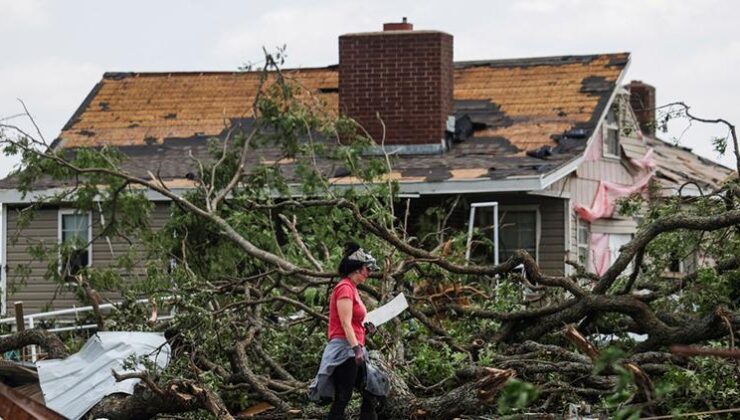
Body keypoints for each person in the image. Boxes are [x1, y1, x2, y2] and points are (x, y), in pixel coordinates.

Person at [308, 243, 389, 420]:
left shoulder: (353, 289)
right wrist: (356, 349)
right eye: (367, 269)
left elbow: (353, 322)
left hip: (354, 348)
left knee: (371, 391)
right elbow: (344, 323)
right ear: (358, 269)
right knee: (343, 397)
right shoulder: (344, 287)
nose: (369, 273)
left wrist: (365, 328)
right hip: (345, 351)